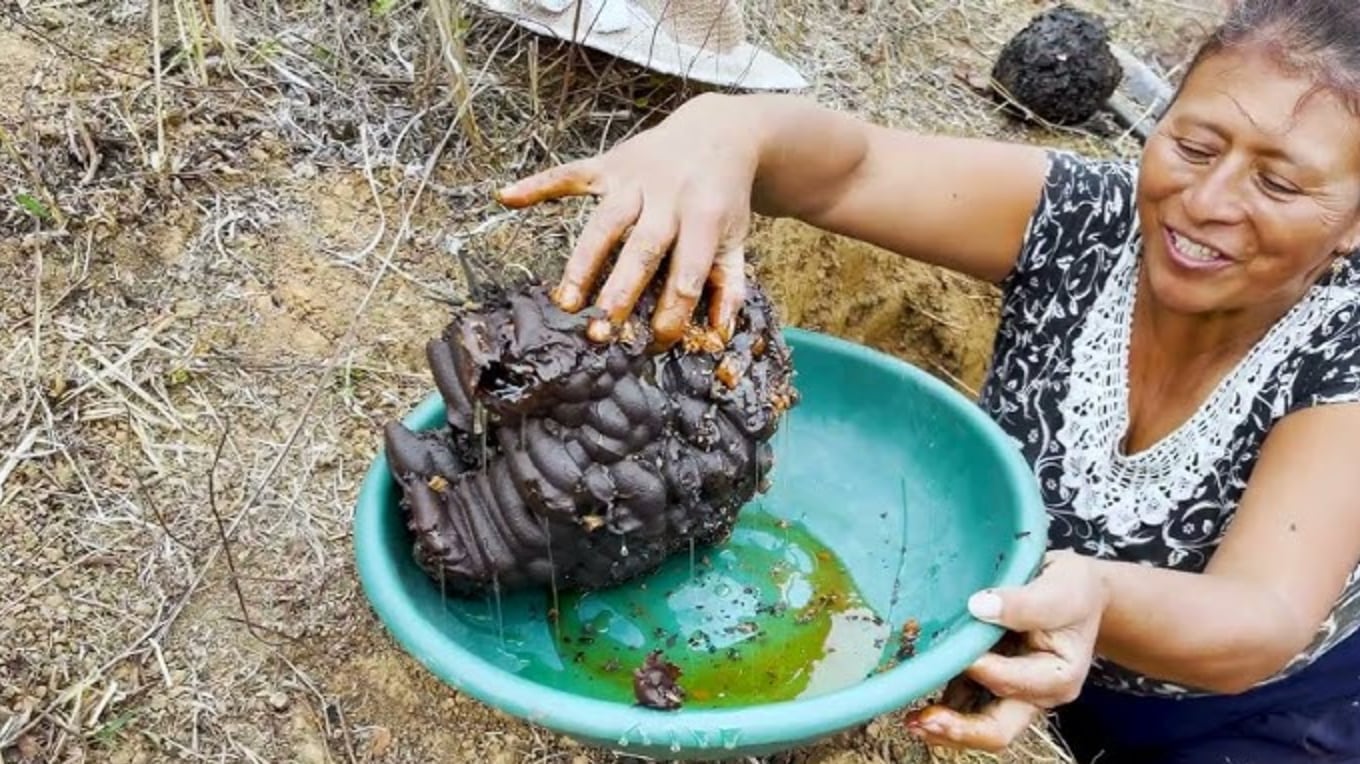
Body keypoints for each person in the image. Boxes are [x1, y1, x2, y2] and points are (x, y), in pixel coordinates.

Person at [494, 0, 1360, 760]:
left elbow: (1261, 614)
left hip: (1242, 719)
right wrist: (724, 130)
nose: (1206, 201)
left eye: (1280, 184)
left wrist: (1097, 588)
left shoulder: (1345, 349)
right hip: (1010, 630)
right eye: (1194, 143)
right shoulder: (1086, 222)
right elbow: (852, 170)